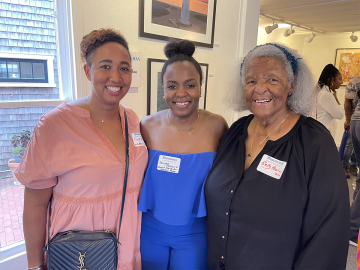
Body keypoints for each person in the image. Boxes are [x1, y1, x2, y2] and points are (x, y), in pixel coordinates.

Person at [205, 43, 350, 269]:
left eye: (272, 79)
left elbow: (330, 228)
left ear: (291, 84)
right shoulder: (234, 132)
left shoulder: (313, 141)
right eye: (251, 81)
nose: (260, 89)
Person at [15, 29, 148, 270]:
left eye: (124, 68)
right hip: (79, 254)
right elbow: (35, 203)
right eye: (105, 66)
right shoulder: (55, 124)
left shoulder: (132, 119)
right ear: (88, 71)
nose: (116, 76)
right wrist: (35, 265)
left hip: (127, 245)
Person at [138, 39, 228, 270]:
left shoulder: (217, 125)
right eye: (172, 86)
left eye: (190, 85)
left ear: (200, 86)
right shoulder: (147, 126)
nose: (181, 94)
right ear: (163, 88)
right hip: (150, 230)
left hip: (195, 233)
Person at [311, 64, 344, 135]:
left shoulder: (319, 91)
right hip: (321, 132)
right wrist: (335, 97)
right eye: (340, 79)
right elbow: (340, 115)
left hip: (316, 130)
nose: (341, 82)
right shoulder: (326, 95)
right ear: (332, 79)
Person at [346, 76, 360, 245]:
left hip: (356, 122)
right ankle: (353, 230)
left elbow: (348, 104)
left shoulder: (355, 80)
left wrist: (348, 120)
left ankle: (352, 226)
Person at [343, 76, 359, 178]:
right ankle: (343, 167)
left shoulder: (354, 82)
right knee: (349, 143)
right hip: (354, 118)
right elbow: (347, 103)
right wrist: (348, 119)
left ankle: (353, 166)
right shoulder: (354, 82)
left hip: (354, 120)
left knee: (355, 144)